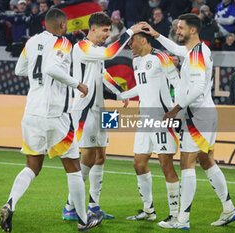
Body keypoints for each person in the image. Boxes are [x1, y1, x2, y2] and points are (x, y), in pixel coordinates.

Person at [0, 8, 104, 232]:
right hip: (55, 114)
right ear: (62, 25)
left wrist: (40, 76)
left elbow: (19, 69)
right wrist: (78, 84)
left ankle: (10, 203)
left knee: (32, 165)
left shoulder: (31, 41)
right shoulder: (63, 43)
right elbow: (52, 67)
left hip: (31, 113)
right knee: (73, 167)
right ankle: (84, 221)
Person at [141, 13, 235, 229]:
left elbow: (195, 88)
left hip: (197, 116)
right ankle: (229, 208)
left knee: (187, 163)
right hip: (206, 113)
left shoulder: (196, 54)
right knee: (206, 160)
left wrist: (175, 109)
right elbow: (177, 50)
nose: (177, 31)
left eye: (180, 27)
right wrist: (157, 34)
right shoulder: (197, 50)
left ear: (193, 30)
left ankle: (182, 219)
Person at [62, 12, 144, 221]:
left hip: (101, 108)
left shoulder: (97, 50)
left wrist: (119, 93)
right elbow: (109, 54)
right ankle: (70, 206)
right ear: (93, 29)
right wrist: (130, 31)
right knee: (88, 157)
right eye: (105, 30)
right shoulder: (81, 47)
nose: (107, 34)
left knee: (101, 156)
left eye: (109, 30)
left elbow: (103, 74)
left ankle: (94, 206)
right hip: (85, 109)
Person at [116, 31, 180, 227]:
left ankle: (175, 215)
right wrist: (124, 95)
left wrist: (177, 109)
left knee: (165, 165)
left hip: (161, 119)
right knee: (138, 163)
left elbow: (177, 83)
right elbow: (142, 87)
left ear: (143, 39)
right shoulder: (136, 61)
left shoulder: (162, 57)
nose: (130, 46)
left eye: (132, 41)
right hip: (144, 120)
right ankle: (148, 210)